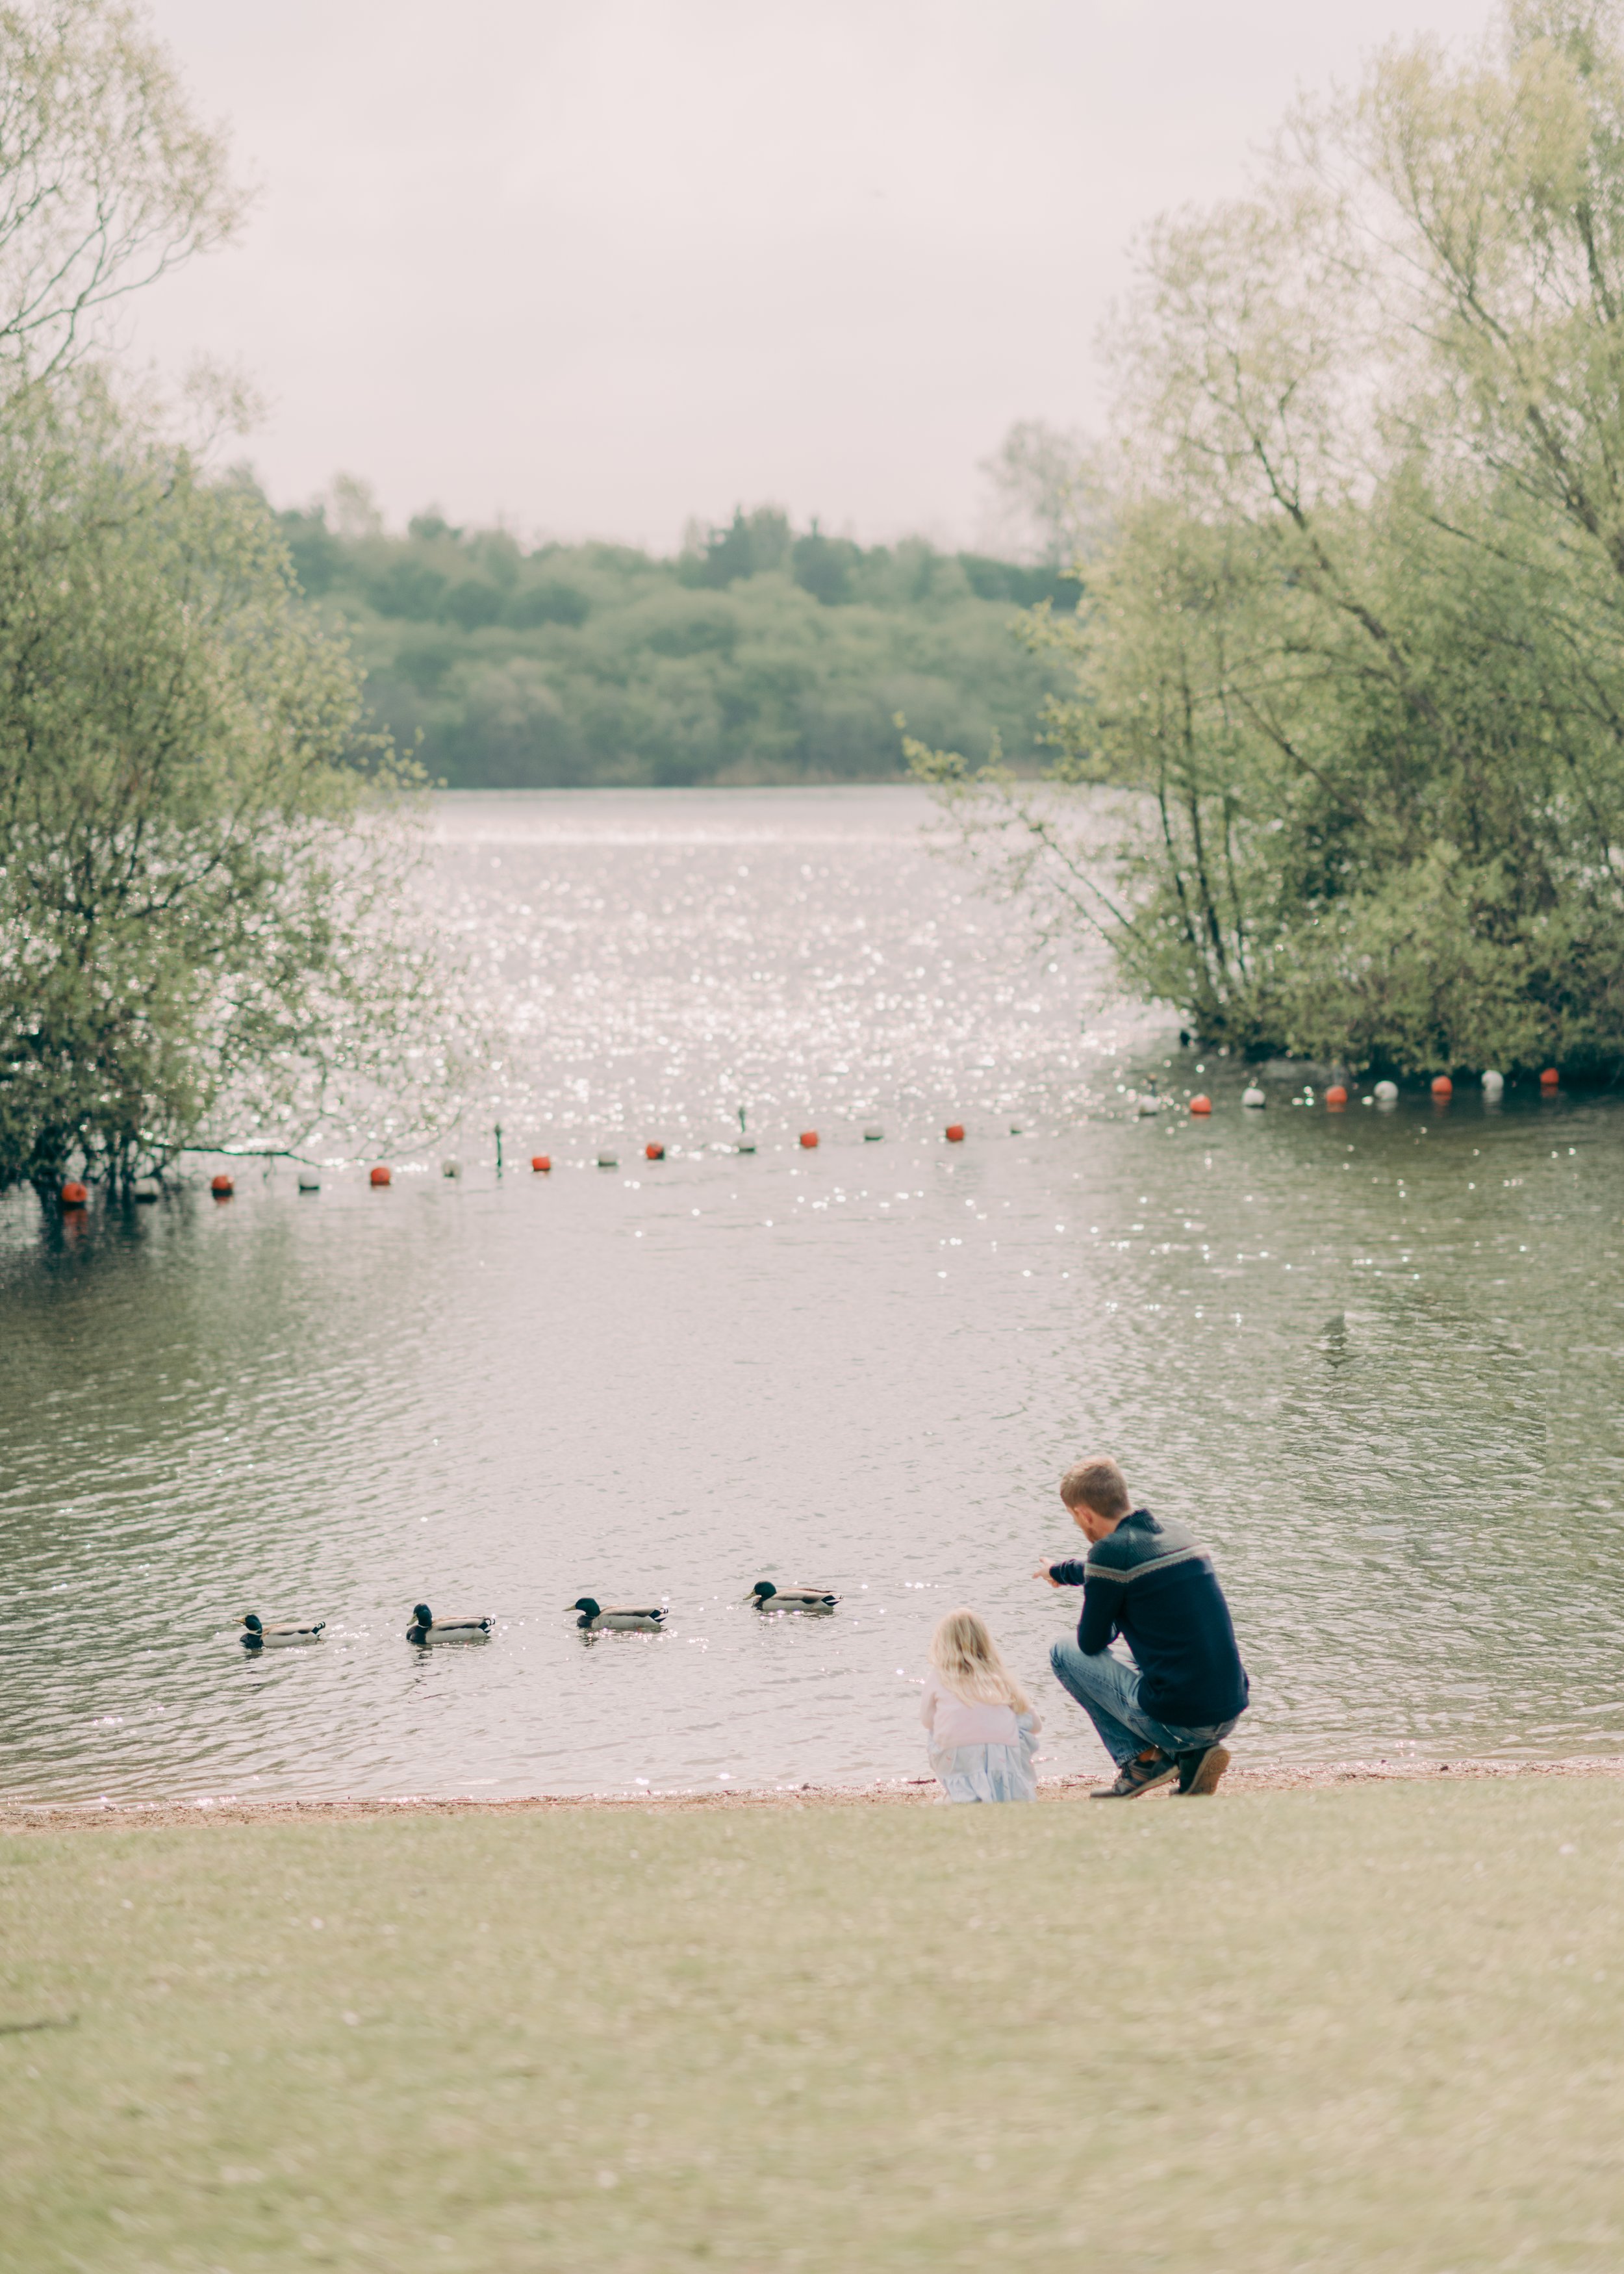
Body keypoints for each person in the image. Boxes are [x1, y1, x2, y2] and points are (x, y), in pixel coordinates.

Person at [1037, 1455, 1247, 1799]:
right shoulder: (1176, 1532)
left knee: (1064, 1652)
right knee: (1168, 1665)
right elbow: (1104, 1568)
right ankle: (1193, 1758)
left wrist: (1109, 1605)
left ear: (1083, 1514)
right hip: (1228, 1709)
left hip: (1184, 1721)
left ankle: (1143, 1761)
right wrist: (1061, 1571)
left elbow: (1091, 1643)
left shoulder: (1110, 1554)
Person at [920, 1607, 1041, 1802]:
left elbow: (927, 1721)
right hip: (1002, 1759)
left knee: (935, 1727)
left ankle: (961, 1791)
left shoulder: (937, 1676)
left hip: (956, 1757)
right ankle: (1006, 1787)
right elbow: (1036, 1725)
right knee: (1019, 1718)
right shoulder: (999, 1677)